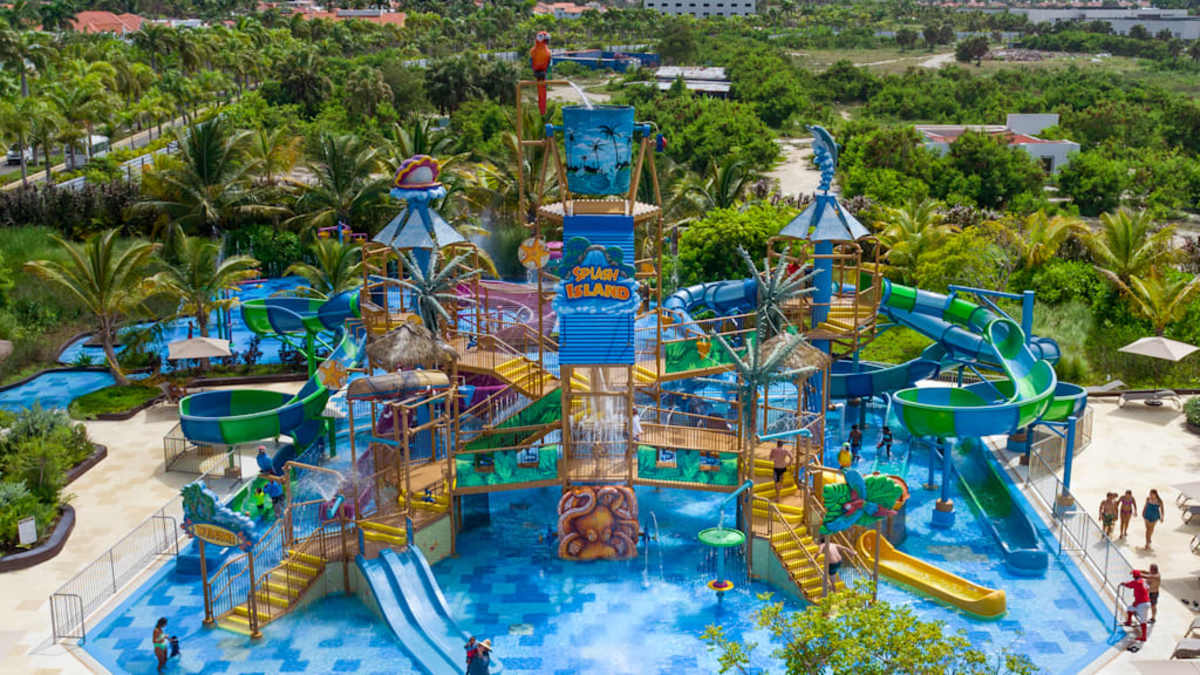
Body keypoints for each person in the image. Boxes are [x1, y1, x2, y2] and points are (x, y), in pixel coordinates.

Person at [1122, 570, 1151, 643]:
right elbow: (1147, 589)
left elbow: (1130, 585)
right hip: (1144, 602)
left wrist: (1123, 584)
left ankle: (1143, 637)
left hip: (1142, 603)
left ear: (1135, 576)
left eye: (1133, 575)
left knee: (1143, 620)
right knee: (1130, 608)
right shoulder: (1143, 581)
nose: (1133, 576)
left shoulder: (1137, 582)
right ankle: (1129, 621)